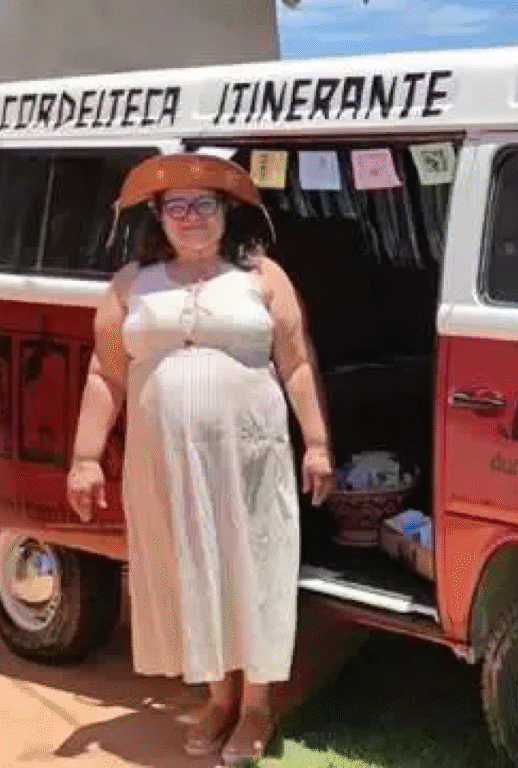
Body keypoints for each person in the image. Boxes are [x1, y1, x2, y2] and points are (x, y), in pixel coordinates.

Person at [66, 153, 334, 764]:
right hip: (164, 462)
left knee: (252, 562)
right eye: (177, 207)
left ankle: (258, 705)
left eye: (204, 205)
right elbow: (105, 374)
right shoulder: (131, 283)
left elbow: (295, 362)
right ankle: (218, 697)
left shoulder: (264, 277)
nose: (191, 218)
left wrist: (316, 442)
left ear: (227, 214)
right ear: (159, 218)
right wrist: (85, 456)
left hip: (250, 457)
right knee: (193, 566)